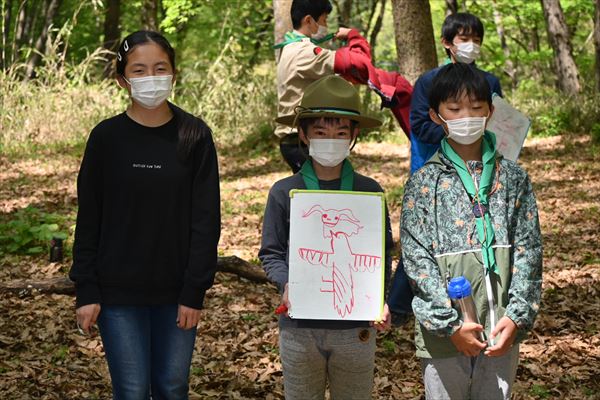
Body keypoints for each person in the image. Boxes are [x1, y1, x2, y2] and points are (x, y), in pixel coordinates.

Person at [69, 30, 221, 399]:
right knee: (133, 390)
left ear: (173, 73)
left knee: (172, 387)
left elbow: (206, 221)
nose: (150, 78)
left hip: (177, 293)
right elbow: (89, 217)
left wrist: (194, 290)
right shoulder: (106, 138)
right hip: (117, 293)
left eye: (159, 68)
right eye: (139, 70)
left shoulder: (194, 135)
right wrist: (86, 289)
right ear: (122, 79)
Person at [400, 63, 542, 400]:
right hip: (444, 337)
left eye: (477, 108)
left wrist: (516, 316)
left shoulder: (513, 179)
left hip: (501, 330)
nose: (467, 116)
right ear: (436, 115)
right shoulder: (423, 183)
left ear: (490, 112)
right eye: (455, 108)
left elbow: (529, 250)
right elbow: (416, 258)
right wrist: (449, 325)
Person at [259, 75, 393, 399]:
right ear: (304, 134)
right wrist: (286, 283)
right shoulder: (284, 192)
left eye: (340, 133)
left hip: (355, 328)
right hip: (299, 327)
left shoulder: (369, 191)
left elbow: (383, 253)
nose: (330, 140)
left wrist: (381, 296)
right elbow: (271, 252)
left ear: (354, 136)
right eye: (320, 132)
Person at [387, 11, 504, 326]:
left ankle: (477, 303)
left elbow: (500, 127)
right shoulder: (429, 81)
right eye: (464, 39)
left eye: (476, 40)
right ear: (447, 43)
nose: (471, 46)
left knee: (474, 238)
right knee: (424, 238)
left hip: (480, 173)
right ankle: (398, 307)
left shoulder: (489, 81)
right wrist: (455, 132)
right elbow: (419, 125)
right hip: (435, 170)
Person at [275, 0, 412, 173]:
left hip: (300, 138)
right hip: (302, 140)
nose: (326, 26)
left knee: (321, 193)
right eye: (324, 20)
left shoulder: (291, 48)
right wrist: (353, 36)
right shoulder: (303, 53)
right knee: (318, 194)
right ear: (309, 20)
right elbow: (357, 62)